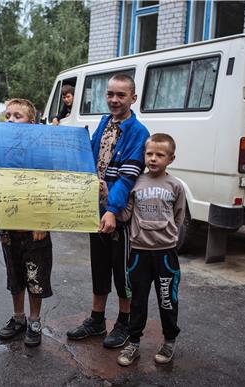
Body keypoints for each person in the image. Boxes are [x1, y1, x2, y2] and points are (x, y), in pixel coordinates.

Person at [67, 74, 149, 349]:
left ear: (133, 98)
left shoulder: (139, 132)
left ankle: (125, 323)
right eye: (110, 94)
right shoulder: (104, 122)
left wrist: (112, 210)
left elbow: (127, 177)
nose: (114, 100)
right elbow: (89, 160)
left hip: (119, 214)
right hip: (96, 209)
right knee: (99, 267)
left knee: (122, 271)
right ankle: (97, 319)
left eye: (121, 95)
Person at [0, 98, 53, 347]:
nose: (11, 120)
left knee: (35, 276)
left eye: (18, 116)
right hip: (8, 225)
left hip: (33, 228)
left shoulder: (40, 151)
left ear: (31, 122)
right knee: (15, 275)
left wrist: (42, 222)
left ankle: (35, 321)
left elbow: (49, 186)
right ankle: (18, 318)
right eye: (8, 116)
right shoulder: (1, 151)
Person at [115, 133, 185, 366]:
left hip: (165, 254)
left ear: (171, 159)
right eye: (149, 154)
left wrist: (168, 238)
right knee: (138, 301)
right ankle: (133, 342)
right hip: (139, 253)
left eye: (160, 155)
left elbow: (178, 216)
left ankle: (169, 341)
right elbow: (126, 214)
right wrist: (107, 198)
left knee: (167, 299)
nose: (153, 158)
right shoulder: (136, 183)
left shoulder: (176, 186)